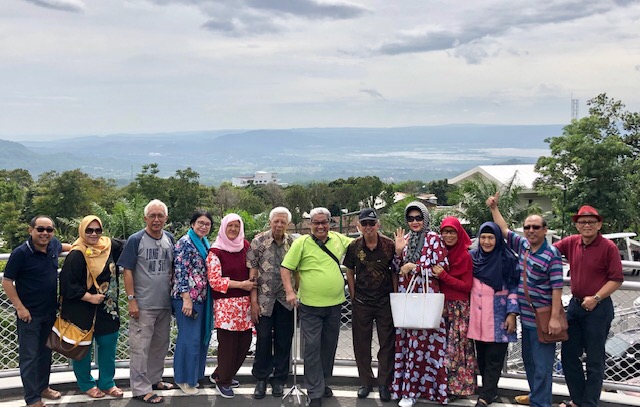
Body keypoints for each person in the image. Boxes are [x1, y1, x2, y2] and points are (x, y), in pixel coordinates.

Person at [488, 193, 564, 407]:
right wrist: (494, 208)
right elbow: (504, 230)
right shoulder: (524, 246)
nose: (531, 230)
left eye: (536, 227)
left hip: (543, 318)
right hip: (526, 319)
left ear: (545, 230)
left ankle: (541, 403)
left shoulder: (552, 254)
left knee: (542, 366)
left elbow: (557, 287)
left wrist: (555, 318)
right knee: (530, 363)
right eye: (528, 227)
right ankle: (536, 397)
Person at [280, 207, 353, 407]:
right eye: (316, 223)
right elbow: (286, 268)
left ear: (330, 223)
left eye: (324, 222)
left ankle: (322, 382)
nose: (320, 226)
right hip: (310, 306)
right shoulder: (301, 243)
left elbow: (362, 244)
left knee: (328, 347)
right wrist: (289, 291)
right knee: (312, 348)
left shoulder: (339, 239)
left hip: (335, 304)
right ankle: (314, 391)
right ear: (310, 225)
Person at [554, 205, 623, 407]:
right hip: (575, 306)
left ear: (599, 224)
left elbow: (616, 279)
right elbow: (547, 251)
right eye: (582, 222)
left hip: (599, 308)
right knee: (568, 355)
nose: (586, 225)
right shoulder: (571, 242)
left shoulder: (608, 247)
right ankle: (578, 400)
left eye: (591, 222)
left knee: (594, 359)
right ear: (576, 225)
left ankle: (589, 403)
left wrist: (596, 297)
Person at [2, 216, 70, 407]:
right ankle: (32, 399)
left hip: (50, 312)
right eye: (40, 229)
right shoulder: (21, 253)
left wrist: (77, 248)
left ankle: (43, 387)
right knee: (29, 357)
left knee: (45, 353)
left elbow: (64, 246)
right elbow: (7, 282)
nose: (45, 233)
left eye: (49, 230)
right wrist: (20, 308)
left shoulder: (53, 245)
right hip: (29, 315)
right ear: (30, 230)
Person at [59, 215, 124, 399]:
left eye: (97, 230)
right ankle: (87, 384)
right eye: (89, 230)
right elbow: (67, 284)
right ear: (82, 231)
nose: (94, 234)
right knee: (82, 350)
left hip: (107, 309)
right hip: (82, 310)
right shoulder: (76, 254)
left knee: (108, 346)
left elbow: (132, 245)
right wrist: (89, 297)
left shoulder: (109, 246)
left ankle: (107, 383)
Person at [118, 199, 175, 404]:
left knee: (160, 345)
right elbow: (127, 270)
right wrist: (131, 300)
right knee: (140, 348)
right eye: (152, 215)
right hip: (143, 304)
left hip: (165, 303)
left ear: (166, 218)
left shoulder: (169, 238)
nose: (157, 219)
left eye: (160, 216)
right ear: (145, 218)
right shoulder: (136, 239)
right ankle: (141, 389)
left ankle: (154, 379)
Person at [391, 201, 448, 406]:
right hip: (409, 296)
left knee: (426, 344)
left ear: (425, 219)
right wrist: (398, 253)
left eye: (418, 218)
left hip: (426, 296)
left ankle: (427, 390)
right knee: (410, 344)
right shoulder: (404, 239)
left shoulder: (434, 239)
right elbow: (398, 269)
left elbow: (441, 267)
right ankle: (409, 390)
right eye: (411, 218)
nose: (414, 222)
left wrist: (415, 267)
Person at [343, 208, 396, 402]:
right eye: (364, 224)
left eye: (371, 224)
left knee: (387, 344)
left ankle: (384, 383)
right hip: (362, 302)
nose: (368, 227)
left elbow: (395, 272)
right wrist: (354, 293)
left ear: (378, 225)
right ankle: (365, 381)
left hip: (385, 302)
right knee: (361, 343)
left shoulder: (389, 245)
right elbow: (349, 270)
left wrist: (395, 296)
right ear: (359, 226)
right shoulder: (354, 246)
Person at [247, 207, 296, 399]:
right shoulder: (258, 242)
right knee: (264, 339)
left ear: (288, 224)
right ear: (270, 221)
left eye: (283, 222)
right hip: (264, 300)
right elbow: (252, 274)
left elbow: (298, 271)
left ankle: (279, 379)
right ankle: (261, 379)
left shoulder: (293, 243)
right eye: (276, 221)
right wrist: (253, 302)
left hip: (285, 300)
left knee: (284, 340)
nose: (279, 224)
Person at [468, 222, 519, 407]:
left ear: (498, 239)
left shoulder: (507, 258)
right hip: (477, 316)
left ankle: (486, 396)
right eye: (483, 237)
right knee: (481, 357)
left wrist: (512, 313)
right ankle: (490, 391)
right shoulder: (473, 257)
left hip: (498, 316)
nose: (487, 241)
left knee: (495, 358)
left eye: (491, 237)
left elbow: (514, 286)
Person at [207, 213, 256, 399]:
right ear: (223, 228)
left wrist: (250, 292)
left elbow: (253, 267)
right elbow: (215, 281)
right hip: (226, 305)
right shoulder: (216, 251)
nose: (234, 229)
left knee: (244, 342)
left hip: (245, 304)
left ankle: (221, 373)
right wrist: (241, 284)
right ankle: (224, 381)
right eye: (230, 226)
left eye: (237, 226)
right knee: (228, 344)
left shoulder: (245, 245)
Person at [431, 216, 477, 400]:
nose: (448, 236)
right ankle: (441, 386)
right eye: (445, 232)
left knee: (456, 350)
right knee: (442, 348)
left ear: (459, 234)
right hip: (442, 306)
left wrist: (443, 275)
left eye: (452, 232)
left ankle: (457, 389)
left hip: (458, 308)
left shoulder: (465, 256)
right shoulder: (439, 254)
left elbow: (466, 286)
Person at [171, 210, 214, 395]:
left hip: (202, 298)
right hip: (187, 299)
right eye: (200, 223)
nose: (203, 226)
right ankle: (184, 380)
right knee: (189, 339)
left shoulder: (204, 242)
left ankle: (195, 377)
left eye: (207, 224)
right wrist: (186, 299)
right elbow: (180, 271)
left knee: (200, 339)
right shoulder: (185, 243)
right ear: (192, 224)